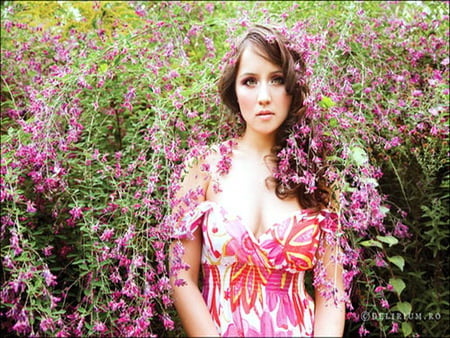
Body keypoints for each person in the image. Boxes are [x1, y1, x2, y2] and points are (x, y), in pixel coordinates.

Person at [169, 24, 345, 337]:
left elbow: (332, 296)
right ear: (234, 92)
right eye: (250, 81)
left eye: (277, 80)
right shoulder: (204, 168)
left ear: (293, 87)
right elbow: (181, 279)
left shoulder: (316, 178)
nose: (264, 96)